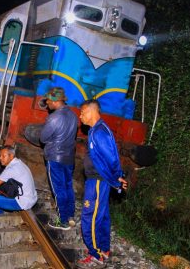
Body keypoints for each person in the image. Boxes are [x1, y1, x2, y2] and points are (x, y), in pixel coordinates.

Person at [76, 100, 128, 268]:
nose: (80, 116)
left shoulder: (99, 132)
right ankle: (104, 249)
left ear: (92, 112)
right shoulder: (96, 130)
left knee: (89, 217)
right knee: (102, 215)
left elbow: (112, 158)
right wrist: (115, 178)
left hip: (98, 181)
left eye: (83, 112)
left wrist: (116, 178)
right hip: (99, 180)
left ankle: (95, 253)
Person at [39, 87, 78, 230]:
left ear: (55, 101)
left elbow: (43, 138)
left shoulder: (54, 117)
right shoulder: (73, 116)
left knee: (58, 189)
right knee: (68, 186)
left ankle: (63, 221)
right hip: (69, 158)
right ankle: (70, 216)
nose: (47, 103)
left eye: (48, 100)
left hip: (55, 157)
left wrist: (50, 141)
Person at [0, 146, 37, 230]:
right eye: (0, 156)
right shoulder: (19, 163)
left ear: (11, 156)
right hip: (32, 198)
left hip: (23, 202)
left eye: (3, 156)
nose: (0, 158)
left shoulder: (12, 169)